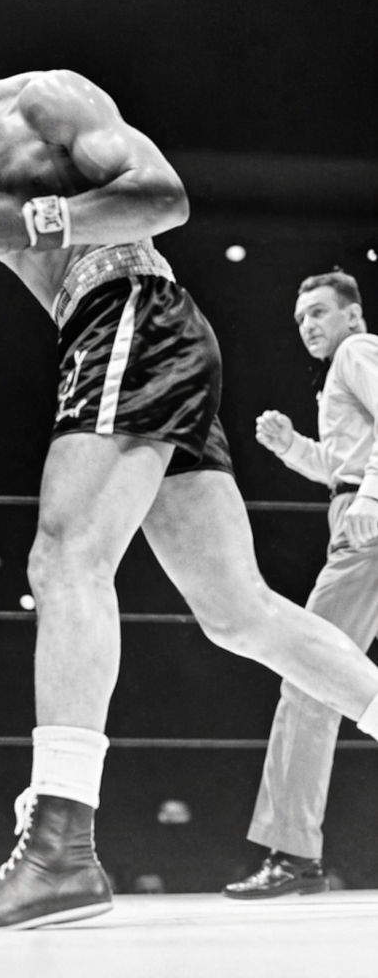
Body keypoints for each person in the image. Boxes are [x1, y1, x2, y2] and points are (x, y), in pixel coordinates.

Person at [0, 0, 378, 929]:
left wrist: (23, 224)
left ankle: (60, 844)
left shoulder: (46, 100)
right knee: (237, 613)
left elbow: (163, 198)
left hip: (129, 305)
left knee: (64, 558)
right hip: (111, 338)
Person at [224, 270, 378, 900]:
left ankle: (293, 853)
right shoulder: (345, 364)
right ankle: (294, 852)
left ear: (352, 315)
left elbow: (361, 472)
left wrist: (374, 495)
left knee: (309, 679)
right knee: (317, 680)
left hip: (366, 530)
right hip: (357, 513)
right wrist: (295, 450)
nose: (309, 325)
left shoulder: (357, 351)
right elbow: (344, 464)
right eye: (301, 319)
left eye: (319, 312)